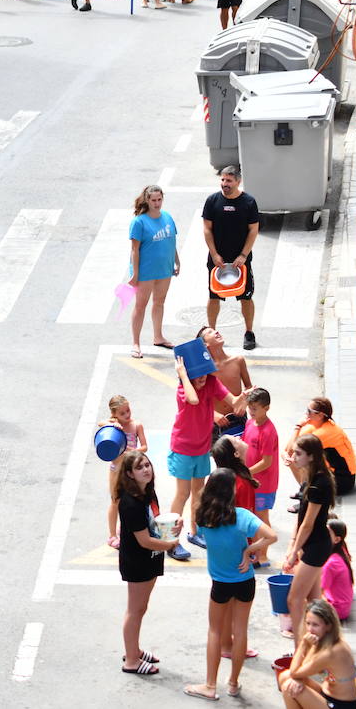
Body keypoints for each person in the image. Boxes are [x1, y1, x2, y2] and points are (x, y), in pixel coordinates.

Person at [186, 468, 278, 700]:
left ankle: (209, 685)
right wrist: (249, 550)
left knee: (215, 631)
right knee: (240, 631)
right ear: (232, 490)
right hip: (245, 580)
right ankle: (234, 683)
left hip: (220, 583)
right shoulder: (242, 516)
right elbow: (271, 536)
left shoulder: (202, 515)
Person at [170, 354, 250, 561]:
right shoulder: (183, 389)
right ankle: (171, 540)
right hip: (183, 447)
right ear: (187, 374)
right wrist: (183, 375)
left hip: (202, 446)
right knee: (182, 494)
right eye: (197, 374)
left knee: (199, 491)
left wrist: (244, 396)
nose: (203, 377)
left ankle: (195, 533)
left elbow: (233, 402)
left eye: (204, 372)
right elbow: (194, 399)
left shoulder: (212, 382)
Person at [112, 450, 183, 675]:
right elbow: (144, 541)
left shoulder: (148, 494)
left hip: (150, 559)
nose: (146, 469)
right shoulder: (130, 503)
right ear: (130, 474)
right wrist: (170, 545)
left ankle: (134, 649)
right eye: (140, 467)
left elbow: (155, 527)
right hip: (138, 562)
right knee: (135, 610)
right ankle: (131, 660)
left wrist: (173, 530)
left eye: (147, 465)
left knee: (141, 608)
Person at [284, 435, 336, 640]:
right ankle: (323, 646)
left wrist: (294, 552)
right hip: (316, 544)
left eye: (298, 453)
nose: (294, 456)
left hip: (315, 546)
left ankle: (301, 650)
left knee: (294, 600)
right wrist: (293, 546)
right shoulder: (314, 477)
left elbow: (307, 523)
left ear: (312, 456)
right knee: (315, 602)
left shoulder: (318, 484)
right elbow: (302, 514)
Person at [202, 165, 261, 346]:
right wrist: (214, 254)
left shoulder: (249, 202)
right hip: (217, 260)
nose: (224, 183)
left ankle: (249, 333)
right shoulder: (212, 201)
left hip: (240, 261)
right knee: (214, 297)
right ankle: (211, 332)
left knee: (246, 296)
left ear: (238, 181)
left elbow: (253, 230)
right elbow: (207, 229)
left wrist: (244, 255)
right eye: (222, 180)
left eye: (228, 180)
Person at [278, 599, 356, 708]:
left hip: (342, 705)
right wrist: (297, 677)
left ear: (328, 626)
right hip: (327, 695)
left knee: (288, 687)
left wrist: (303, 645)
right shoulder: (324, 640)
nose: (310, 629)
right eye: (308, 623)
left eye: (315, 625)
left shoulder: (331, 652)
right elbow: (304, 666)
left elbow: (295, 672)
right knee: (285, 676)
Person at [127, 184, 179, 358]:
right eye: (154, 200)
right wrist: (135, 274)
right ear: (147, 200)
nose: (157, 203)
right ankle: (136, 343)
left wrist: (177, 261)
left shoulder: (167, 217)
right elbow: (135, 249)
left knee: (159, 302)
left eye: (159, 200)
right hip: (145, 271)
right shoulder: (139, 222)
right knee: (140, 305)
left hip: (164, 268)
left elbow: (172, 241)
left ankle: (158, 336)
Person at [286, 397, 356, 493]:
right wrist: (298, 428)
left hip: (343, 480)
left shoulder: (325, 433)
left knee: (299, 460)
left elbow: (291, 451)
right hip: (330, 473)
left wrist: (298, 427)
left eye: (309, 411)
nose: (306, 414)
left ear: (320, 415)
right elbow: (289, 450)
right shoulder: (313, 427)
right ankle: (306, 491)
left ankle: (306, 494)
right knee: (297, 458)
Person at [102, 396, 147, 548]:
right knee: (115, 501)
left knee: (132, 500)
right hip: (116, 470)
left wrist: (132, 452)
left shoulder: (136, 425)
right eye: (122, 413)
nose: (127, 415)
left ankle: (125, 529)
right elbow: (100, 423)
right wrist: (113, 424)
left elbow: (144, 446)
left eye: (128, 410)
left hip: (131, 470)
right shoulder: (114, 425)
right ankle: (112, 535)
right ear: (114, 414)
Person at [198, 326, 253, 431]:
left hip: (238, 417)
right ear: (205, 344)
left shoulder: (238, 360)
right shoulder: (204, 370)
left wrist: (244, 403)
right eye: (210, 332)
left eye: (215, 330)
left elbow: (249, 386)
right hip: (215, 421)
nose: (216, 332)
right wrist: (213, 414)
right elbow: (197, 398)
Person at [241, 388, 279, 540]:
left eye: (255, 408)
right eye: (250, 407)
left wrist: (247, 472)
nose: (251, 411)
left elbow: (266, 462)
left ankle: (263, 554)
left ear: (266, 408)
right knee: (252, 514)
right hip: (251, 479)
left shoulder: (268, 431)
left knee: (261, 516)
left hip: (264, 483)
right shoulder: (250, 423)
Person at [321, 518, 355, 620]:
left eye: (327, 533)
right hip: (343, 606)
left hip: (337, 609)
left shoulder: (332, 563)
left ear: (337, 539)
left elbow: (319, 590)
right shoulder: (340, 553)